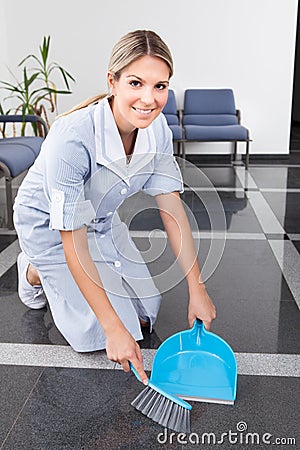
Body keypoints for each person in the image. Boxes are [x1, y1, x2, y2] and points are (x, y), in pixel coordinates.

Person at [13, 29, 216, 384]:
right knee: (99, 332)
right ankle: (34, 270)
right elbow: (72, 239)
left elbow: (171, 208)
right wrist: (111, 329)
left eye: (160, 86)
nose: (149, 99)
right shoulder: (72, 137)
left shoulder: (157, 130)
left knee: (144, 316)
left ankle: (53, 276)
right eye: (136, 83)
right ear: (113, 81)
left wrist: (197, 288)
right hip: (50, 227)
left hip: (102, 221)